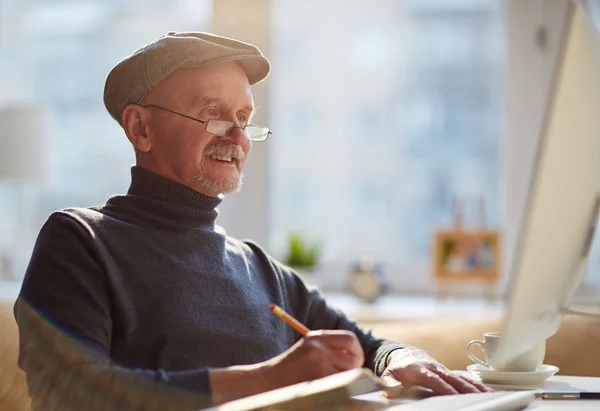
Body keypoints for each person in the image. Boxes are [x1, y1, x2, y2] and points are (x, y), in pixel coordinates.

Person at [14, 32, 491, 411]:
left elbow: (370, 346)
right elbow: (71, 396)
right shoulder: (80, 240)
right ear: (141, 128)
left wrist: (404, 358)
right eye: (213, 114)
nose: (238, 137)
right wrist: (274, 378)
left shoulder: (258, 268)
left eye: (244, 117)